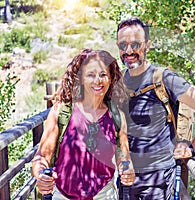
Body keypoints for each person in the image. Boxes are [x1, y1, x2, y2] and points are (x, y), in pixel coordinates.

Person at [116, 17, 195, 199]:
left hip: (159, 181)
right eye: (123, 45)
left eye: (135, 44)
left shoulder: (165, 78)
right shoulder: (120, 81)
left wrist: (193, 148)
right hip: (127, 181)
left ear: (147, 45)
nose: (128, 51)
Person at [32, 49, 135, 200]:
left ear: (111, 78)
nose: (98, 81)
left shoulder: (116, 115)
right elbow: (42, 156)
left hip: (104, 195)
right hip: (63, 196)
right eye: (91, 75)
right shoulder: (62, 111)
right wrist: (41, 176)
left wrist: (127, 169)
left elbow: (124, 155)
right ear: (80, 78)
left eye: (103, 75)